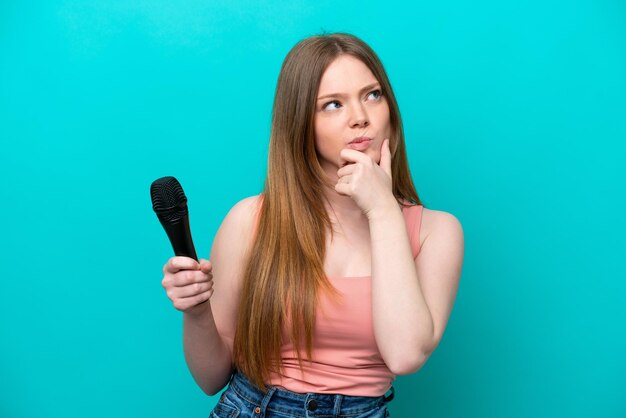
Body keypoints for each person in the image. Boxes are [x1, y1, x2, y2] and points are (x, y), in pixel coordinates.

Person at [161, 33, 464, 417]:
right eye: (333, 104)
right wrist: (196, 311)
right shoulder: (250, 221)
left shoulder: (435, 232)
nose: (360, 116)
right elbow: (210, 378)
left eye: (372, 95)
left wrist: (383, 211)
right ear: (301, 122)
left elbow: (405, 355)